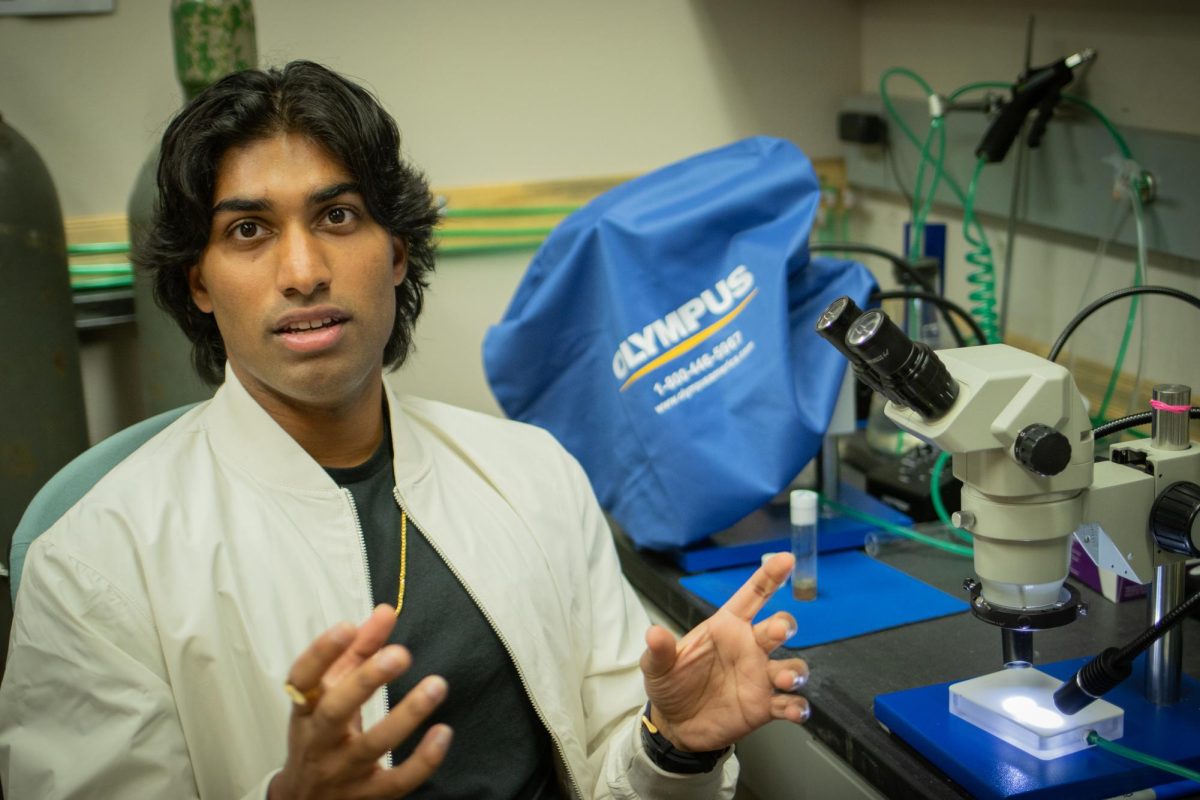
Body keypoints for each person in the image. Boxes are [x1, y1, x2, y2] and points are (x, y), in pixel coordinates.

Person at [0, 61, 810, 799]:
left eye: (339, 216)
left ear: (396, 253)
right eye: (248, 230)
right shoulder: (94, 559)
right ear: (200, 284)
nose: (303, 270)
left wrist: (673, 750)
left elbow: (613, 760)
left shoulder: (529, 474)